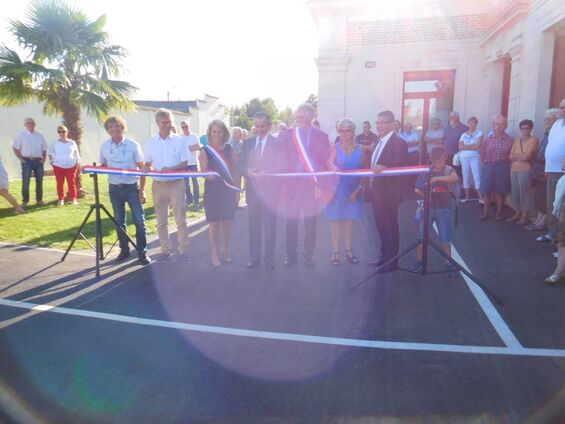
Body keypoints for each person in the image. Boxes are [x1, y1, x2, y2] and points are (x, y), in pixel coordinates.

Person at [280, 103, 330, 268]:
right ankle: (291, 255)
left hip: (311, 185)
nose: (298, 119)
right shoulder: (288, 135)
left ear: (310, 117)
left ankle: (309, 255)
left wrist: (319, 185)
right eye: (297, 116)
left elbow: (323, 162)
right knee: (291, 221)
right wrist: (284, 183)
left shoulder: (321, 136)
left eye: (301, 116)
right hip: (293, 185)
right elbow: (283, 160)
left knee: (310, 222)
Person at [99, 116, 150, 265]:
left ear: (123, 127)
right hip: (114, 189)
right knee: (119, 221)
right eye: (111, 127)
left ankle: (142, 252)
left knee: (139, 221)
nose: (114, 129)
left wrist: (142, 191)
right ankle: (124, 250)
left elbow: (142, 168)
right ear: (108, 130)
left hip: (132, 188)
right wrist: (91, 167)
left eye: (117, 126)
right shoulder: (104, 146)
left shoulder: (133, 145)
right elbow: (103, 166)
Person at [239, 112, 284, 270]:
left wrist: (268, 172)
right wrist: (248, 171)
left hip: (271, 193)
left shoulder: (277, 144)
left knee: (270, 227)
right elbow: (241, 165)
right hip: (252, 193)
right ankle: (254, 259)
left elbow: (282, 165)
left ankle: (269, 259)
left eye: (263, 126)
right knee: (254, 227)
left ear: (269, 126)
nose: (259, 129)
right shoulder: (248, 143)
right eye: (257, 126)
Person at [366, 110, 408, 272]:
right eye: (377, 122)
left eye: (383, 122)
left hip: (389, 195)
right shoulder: (379, 141)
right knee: (381, 227)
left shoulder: (399, 143)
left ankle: (391, 262)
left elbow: (400, 168)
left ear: (392, 124)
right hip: (377, 193)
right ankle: (384, 257)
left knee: (390, 227)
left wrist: (386, 168)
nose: (379, 126)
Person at [145, 108, 189, 259]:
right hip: (158, 185)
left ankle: (183, 249)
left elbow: (185, 163)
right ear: (157, 123)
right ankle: (165, 249)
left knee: (180, 219)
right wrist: (146, 168)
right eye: (164, 122)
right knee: (161, 220)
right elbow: (148, 163)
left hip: (176, 183)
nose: (167, 125)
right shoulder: (151, 142)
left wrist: (170, 169)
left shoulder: (180, 140)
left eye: (169, 122)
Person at [413, 146, 459, 273]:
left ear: (445, 158)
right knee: (421, 235)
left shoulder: (449, 170)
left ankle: (448, 263)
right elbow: (417, 188)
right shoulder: (427, 171)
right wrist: (425, 194)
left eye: (439, 162)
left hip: (443, 208)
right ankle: (419, 261)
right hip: (428, 208)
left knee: (445, 237)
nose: (437, 165)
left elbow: (455, 178)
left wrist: (437, 179)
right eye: (434, 162)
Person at [325, 118, 363, 266]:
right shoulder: (334, 147)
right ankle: (335, 252)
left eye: (347, 130)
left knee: (349, 222)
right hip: (336, 190)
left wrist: (358, 190)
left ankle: (348, 250)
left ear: (353, 132)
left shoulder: (361, 149)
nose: (344, 133)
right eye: (341, 130)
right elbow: (329, 162)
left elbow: (365, 172)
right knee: (335, 221)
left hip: (354, 191)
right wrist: (332, 167)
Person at [199, 120, 237, 267]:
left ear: (224, 133)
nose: (216, 134)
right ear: (210, 133)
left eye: (219, 132)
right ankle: (214, 252)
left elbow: (234, 170)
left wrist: (236, 190)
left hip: (227, 190)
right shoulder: (205, 150)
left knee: (227, 222)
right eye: (214, 131)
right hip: (212, 191)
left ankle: (225, 250)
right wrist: (210, 175)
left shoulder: (230, 148)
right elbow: (203, 172)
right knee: (214, 224)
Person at [528, 108, 561, 231]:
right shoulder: (548, 133)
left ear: (556, 120)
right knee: (539, 197)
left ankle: (542, 223)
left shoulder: (557, 133)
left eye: (548, 119)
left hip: (547, 171)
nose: (545, 122)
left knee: (544, 198)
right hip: (539, 170)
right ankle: (539, 220)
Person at [539, 98, 565, 243]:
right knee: (551, 204)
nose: (563, 110)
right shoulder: (556, 124)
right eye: (561, 107)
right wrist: (546, 168)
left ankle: (560, 240)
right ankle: (551, 233)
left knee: (561, 207)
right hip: (551, 170)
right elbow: (551, 146)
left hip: (563, 173)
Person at [479, 115, 514, 221]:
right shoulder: (487, 139)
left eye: (502, 124)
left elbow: (511, 155)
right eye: (497, 124)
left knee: (501, 190)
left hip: (503, 166)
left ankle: (499, 213)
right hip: (489, 165)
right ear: (493, 125)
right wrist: (486, 163)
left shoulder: (510, 140)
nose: (499, 126)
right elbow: (482, 152)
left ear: (506, 126)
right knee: (486, 190)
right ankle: (486, 213)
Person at [508, 119, 539, 225]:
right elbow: (510, 156)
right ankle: (517, 213)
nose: (525, 130)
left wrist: (519, 156)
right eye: (522, 128)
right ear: (520, 129)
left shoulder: (534, 140)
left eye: (527, 128)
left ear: (531, 129)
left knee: (525, 193)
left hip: (526, 169)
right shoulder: (517, 140)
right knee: (515, 192)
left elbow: (527, 157)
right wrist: (521, 156)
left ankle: (525, 215)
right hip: (514, 170)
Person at [12, 117, 48, 206]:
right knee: (26, 181)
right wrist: (21, 159)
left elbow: (44, 149)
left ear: (35, 124)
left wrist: (43, 159)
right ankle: (25, 201)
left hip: (38, 161)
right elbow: (15, 148)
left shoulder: (39, 136)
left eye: (32, 123)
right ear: (25, 125)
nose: (30, 124)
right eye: (28, 123)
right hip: (26, 161)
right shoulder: (21, 135)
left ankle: (39, 200)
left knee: (39, 181)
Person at [48, 125, 80, 206]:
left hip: (71, 166)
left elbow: (76, 154)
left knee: (71, 183)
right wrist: (52, 162)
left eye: (63, 131)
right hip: (58, 166)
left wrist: (77, 162)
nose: (62, 133)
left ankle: (73, 199)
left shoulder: (72, 143)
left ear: (67, 132)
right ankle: (61, 199)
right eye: (59, 131)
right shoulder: (55, 143)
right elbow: (50, 153)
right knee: (60, 183)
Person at [458, 116, 483, 203]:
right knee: (465, 176)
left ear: (476, 124)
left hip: (474, 157)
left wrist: (466, 147)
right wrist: (471, 146)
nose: (472, 124)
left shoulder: (479, 133)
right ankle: (467, 197)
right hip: (464, 157)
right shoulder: (463, 134)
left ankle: (481, 198)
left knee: (477, 176)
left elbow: (477, 146)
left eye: (474, 122)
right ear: (468, 123)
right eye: (470, 122)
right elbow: (460, 147)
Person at [180, 120, 201, 207]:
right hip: (185, 163)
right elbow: (180, 150)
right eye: (183, 127)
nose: (185, 128)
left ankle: (196, 200)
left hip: (193, 163)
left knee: (195, 182)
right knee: (186, 183)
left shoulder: (194, 136)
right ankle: (189, 199)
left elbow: (198, 147)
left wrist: (187, 148)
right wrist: (190, 148)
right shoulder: (180, 137)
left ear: (189, 126)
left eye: (186, 126)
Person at [229, 127, 244, 208]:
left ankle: (237, 202)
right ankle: (234, 203)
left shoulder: (241, 142)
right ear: (235, 134)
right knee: (235, 184)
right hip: (234, 167)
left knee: (238, 184)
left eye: (241, 133)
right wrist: (243, 153)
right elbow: (235, 155)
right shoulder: (231, 143)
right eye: (240, 133)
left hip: (239, 167)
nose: (241, 134)